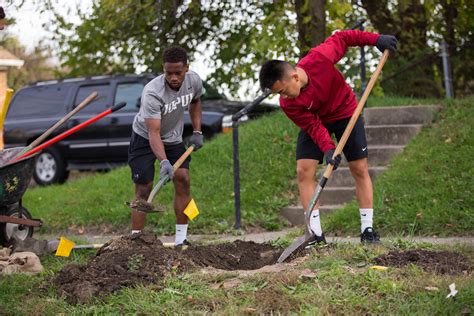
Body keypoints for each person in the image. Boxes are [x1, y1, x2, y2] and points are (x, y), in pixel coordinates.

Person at [259, 30, 397, 244]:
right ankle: (315, 235)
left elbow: (343, 37)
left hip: (345, 112)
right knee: (303, 171)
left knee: (359, 168)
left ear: (295, 76)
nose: (283, 97)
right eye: (278, 94)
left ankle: (367, 230)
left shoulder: (318, 58)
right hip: (318, 120)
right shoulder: (289, 103)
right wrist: (327, 147)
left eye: (284, 90)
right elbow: (312, 126)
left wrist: (376, 39)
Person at [128, 46, 203, 246]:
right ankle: (135, 242)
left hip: (173, 137)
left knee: (183, 178)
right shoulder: (152, 92)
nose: (173, 78)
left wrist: (197, 131)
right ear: (164, 69)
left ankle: (181, 239)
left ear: (186, 68)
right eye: (168, 73)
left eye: (178, 73)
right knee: (144, 188)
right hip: (144, 137)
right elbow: (153, 132)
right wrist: (164, 162)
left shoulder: (194, 80)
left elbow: (195, 101)